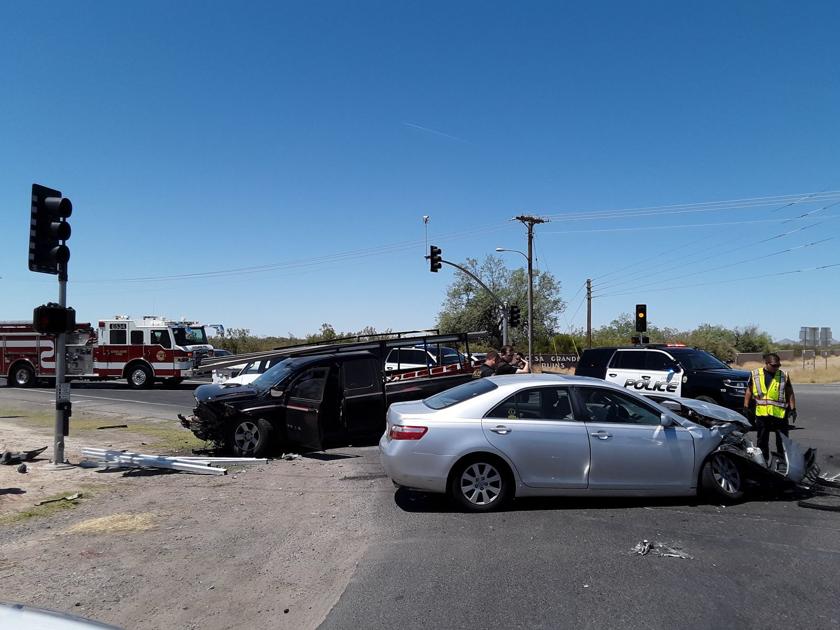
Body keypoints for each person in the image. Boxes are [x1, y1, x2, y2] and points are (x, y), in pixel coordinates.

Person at [743, 352, 797, 464]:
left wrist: (793, 408)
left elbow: (789, 392)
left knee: (782, 440)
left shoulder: (783, 376)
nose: (776, 367)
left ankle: (782, 462)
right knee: (762, 440)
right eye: (774, 365)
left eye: (778, 365)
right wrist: (746, 406)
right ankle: (763, 462)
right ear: (766, 363)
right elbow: (749, 390)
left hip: (780, 414)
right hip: (762, 414)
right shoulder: (755, 374)